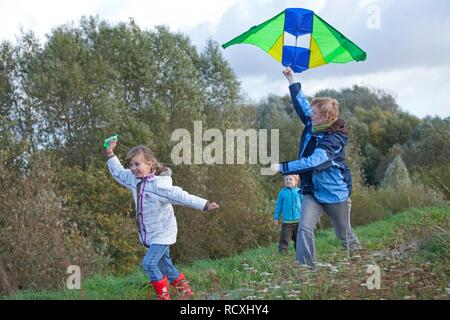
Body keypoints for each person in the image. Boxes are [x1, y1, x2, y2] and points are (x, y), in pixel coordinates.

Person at [105, 140, 219, 300]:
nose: (133, 168)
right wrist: (110, 154)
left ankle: (164, 297)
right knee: (165, 266)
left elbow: (182, 197)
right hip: (149, 234)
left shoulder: (160, 186)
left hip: (163, 233)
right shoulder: (133, 179)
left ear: (150, 164)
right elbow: (117, 172)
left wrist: (205, 204)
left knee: (149, 264)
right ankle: (186, 292)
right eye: (131, 165)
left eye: (137, 164)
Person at [271, 67, 361, 268]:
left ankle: (359, 261)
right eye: (312, 112)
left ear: (326, 118)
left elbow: (312, 161)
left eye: (315, 113)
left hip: (334, 193)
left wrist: (283, 167)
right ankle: (306, 269)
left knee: (343, 233)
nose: (310, 115)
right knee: (304, 228)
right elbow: (302, 104)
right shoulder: (313, 123)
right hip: (312, 191)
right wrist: (292, 79)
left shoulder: (334, 139)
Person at [273, 175, 302, 254]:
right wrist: (276, 217)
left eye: (290, 179)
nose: (288, 181)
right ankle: (283, 252)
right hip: (287, 222)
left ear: (296, 181)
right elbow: (278, 206)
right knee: (284, 238)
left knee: (298, 239)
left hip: (298, 221)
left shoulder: (299, 191)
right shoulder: (282, 193)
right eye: (286, 179)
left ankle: (299, 252)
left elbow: (304, 204)